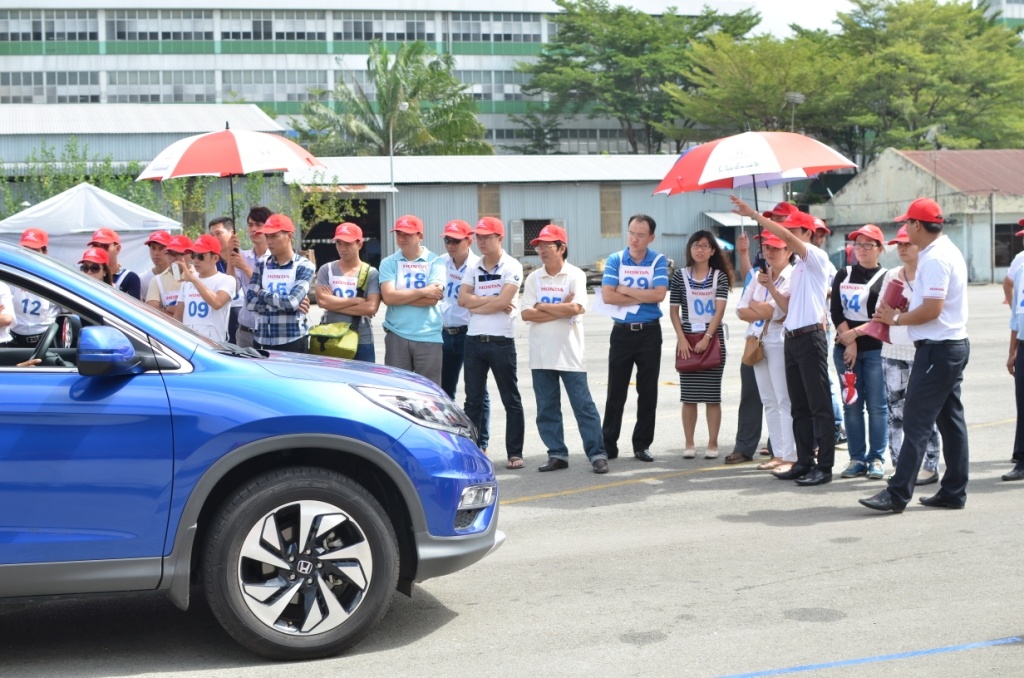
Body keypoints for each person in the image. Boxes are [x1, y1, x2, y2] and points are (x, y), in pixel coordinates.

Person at [860, 197, 970, 512]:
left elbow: (933, 310)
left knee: (916, 420)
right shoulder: (944, 251)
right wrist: (909, 310)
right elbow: (933, 303)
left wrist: (896, 319)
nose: (905, 229)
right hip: (948, 345)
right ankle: (953, 491)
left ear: (918, 225)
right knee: (950, 421)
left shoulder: (935, 258)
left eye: (907, 223)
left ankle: (897, 494)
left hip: (938, 348)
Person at [730, 197, 835, 487]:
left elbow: (786, 237)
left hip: (811, 335)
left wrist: (753, 215)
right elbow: (784, 306)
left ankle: (824, 466)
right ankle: (803, 461)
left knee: (819, 405)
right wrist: (771, 287)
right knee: (799, 406)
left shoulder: (814, 257)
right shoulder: (799, 267)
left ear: (807, 234)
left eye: (792, 232)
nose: (784, 236)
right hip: (792, 336)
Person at [520, 224, 609, 474]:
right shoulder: (534, 278)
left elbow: (576, 309)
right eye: (539, 246)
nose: (541, 250)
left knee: (583, 406)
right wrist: (558, 307)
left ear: (561, 248)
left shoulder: (575, 275)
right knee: (547, 408)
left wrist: (543, 307)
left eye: (547, 246)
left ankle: (596, 453)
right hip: (541, 355)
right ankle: (557, 453)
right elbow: (527, 314)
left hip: (570, 354)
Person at [600, 214, 670, 463]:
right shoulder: (616, 259)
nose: (634, 239)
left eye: (641, 235)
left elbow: (660, 294)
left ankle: (642, 444)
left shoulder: (658, 260)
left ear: (651, 237)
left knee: (648, 390)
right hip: (622, 332)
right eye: (631, 233)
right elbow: (608, 296)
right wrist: (644, 294)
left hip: (650, 332)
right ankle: (608, 444)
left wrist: (626, 289)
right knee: (616, 390)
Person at [876, 226, 942, 484]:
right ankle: (899, 465)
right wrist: (892, 312)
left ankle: (930, 464)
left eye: (907, 243)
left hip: (921, 350)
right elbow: (880, 311)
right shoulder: (892, 275)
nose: (902, 248)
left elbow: (934, 310)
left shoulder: (930, 272)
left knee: (924, 413)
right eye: (898, 244)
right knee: (895, 413)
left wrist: (903, 314)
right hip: (892, 350)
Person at [458, 216, 525, 469]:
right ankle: (473, 451)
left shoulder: (512, 266)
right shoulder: (473, 266)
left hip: (501, 341)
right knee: (472, 400)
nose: (481, 241)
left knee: (511, 399)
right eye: (479, 236)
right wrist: (492, 300)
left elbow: (501, 301)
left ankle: (515, 453)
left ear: (500, 238)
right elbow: (462, 300)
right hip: (474, 341)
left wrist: (480, 301)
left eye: (487, 237)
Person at [735, 230, 796, 473]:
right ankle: (778, 453)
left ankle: (789, 455)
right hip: (758, 340)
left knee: (784, 399)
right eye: (767, 247)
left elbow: (777, 311)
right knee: (768, 400)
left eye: (776, 248)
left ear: (788, 251)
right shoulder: (759, 275)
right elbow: (740, 310)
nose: (769, 252)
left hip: (780, 341)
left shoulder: (792, 276)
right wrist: (759, 308)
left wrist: (757, 307)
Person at [669, 230, 733, 459]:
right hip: (687, 339)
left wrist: (707, 337)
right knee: (688, 396)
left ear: (712, 251)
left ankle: (713, 443)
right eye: (696, 245)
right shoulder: (680, 276)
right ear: (690, 249)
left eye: (705, 246)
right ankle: (689, 443)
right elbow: (674, 311)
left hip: (712, 338)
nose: (700, 249)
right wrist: (682, 339)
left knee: (712, 396)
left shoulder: (720, 277)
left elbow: (720, 310)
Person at [832, 225, 889, 480]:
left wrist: (855, 336)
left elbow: (882, 318)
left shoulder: (888, 277)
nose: (862, 250)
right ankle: (856, 459)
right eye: (858, 245)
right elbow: (836, 310)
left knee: (877, 406)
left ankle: (876, 458)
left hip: (876, 350)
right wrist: (849, 341)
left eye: (868, 245)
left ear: (880, 248)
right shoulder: (843, 274)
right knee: (852, 406)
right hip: (846, 352)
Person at [439, 219, 490, 452]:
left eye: (456, 240)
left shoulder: (478, 265)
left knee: (477, 392)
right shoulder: (440, 263)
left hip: (468, 332)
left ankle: (481, 441)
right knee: (444, 391)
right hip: (443, 332)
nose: (450, 244)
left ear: (468, 241)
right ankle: (448, 440)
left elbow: (489, 298)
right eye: (447, 239)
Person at [378, 215, 445, 383]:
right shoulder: (388, 262)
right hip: (397, 334)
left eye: (407, 234)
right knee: (397, 391)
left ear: (420, 236)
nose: (401, 238)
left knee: (429, 393)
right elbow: (388, 296)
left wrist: (399, 295)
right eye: (398, 233)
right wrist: (424, 291)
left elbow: (432, 300)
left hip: (428, 336)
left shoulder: (436, 262)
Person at [246, 213, 315, 353]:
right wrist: (284, 304)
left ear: (289, 236)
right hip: (261, 340)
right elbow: (250, 302)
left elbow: (292, 302)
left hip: (292, 340)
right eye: (267, 236)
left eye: (274, 236)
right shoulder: (261, 265)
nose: (269, 241)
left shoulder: (304, 266)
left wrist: (262, 293)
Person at [314, 222, 382, 362]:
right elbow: (322, 301)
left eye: (348, 244)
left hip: (361, 338)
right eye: (339, 243)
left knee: (363, 381)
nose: (342, 248)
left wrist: (333, 302)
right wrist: (356, 301)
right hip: (331, 336)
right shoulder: (327, 270)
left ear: (359, 244)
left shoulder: (371, 273)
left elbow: (370, 307)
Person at [812, 217, 847, 446]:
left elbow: (837, 290)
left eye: (823, 234)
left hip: (820, 326)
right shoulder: (796, 259)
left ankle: (835, 424)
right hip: (800, 328)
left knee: (822, 378)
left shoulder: (825, 262)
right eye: (817, 233)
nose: (820, 238)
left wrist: (822, 291)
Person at [173, 234, 236, 341]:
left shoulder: (227, 280)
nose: (196, 260)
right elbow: (178, 316)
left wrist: (193, 280)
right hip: (189, 342)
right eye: (193, 255)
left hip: (214, 345)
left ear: (215, 258)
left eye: (201, 256)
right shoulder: (188, 281)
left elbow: (217, 303)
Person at [10, 228, 61, 348]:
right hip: (14, 340)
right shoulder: (11, 275)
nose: (28, 254)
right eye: (25, 250)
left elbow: (68, 309)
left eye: (34, 250)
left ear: (44, 251)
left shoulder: (54, 278)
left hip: (45, 339)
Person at [232, 207, 272, 348]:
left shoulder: (275, 259)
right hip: (245, 330)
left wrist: (244, 267)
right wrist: (232, 258)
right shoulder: (242, 256)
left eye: (259, 225)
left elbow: (267, 289)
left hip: (268, 330)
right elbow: (233, 288)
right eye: (250, 225)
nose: (253, 229)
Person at [208, 216, 243, 343]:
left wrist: (230, 256)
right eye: (212, 235)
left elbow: (233, 287)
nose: (214, 238)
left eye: (219, 233)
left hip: (237, 316)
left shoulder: (243, 257)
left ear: (232, 234)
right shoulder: (208, 261)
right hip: (215, 317)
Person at [88, 227, 141, 299]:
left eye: (105, 246)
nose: (100, 250)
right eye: (96, 246)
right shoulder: (86, 273)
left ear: (118, 249)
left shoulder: (129, 278)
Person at [146, 234, 191, 315]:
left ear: (190, 255)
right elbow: (152, 311)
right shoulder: (157, 280)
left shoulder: (199, 277)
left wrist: (170, 309)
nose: (173, 258)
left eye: (178, 253)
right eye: (169, 253)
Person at [139, 230, 171, 298]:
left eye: (161, 248)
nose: (156, 253)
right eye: (153, 248)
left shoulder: (179, 278)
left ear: (170, 250)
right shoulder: (142, 279)